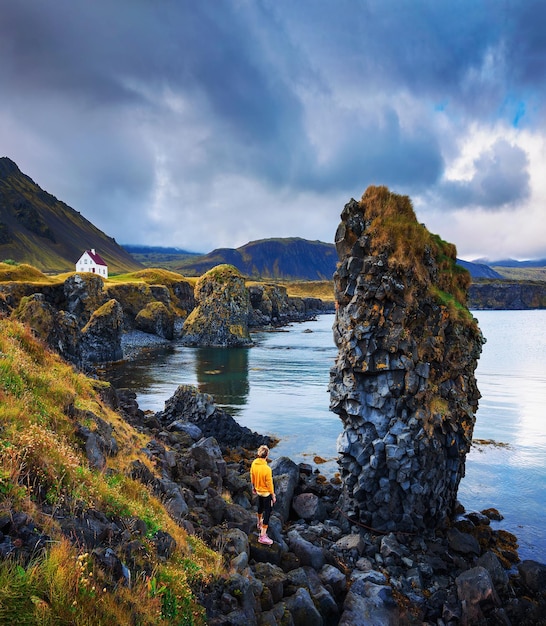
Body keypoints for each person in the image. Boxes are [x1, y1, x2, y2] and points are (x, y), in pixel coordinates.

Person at [250, 444, 276, 545]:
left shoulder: (254, 463)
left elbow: (252, 476)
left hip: (258, 490)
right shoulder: (267, 469)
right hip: (265, 493)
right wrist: (273, 495)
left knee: (260, 507)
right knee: (268, 512)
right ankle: (262, 536)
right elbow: (269, 484)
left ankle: (259, 522)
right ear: (267, 455)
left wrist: (253, 487)